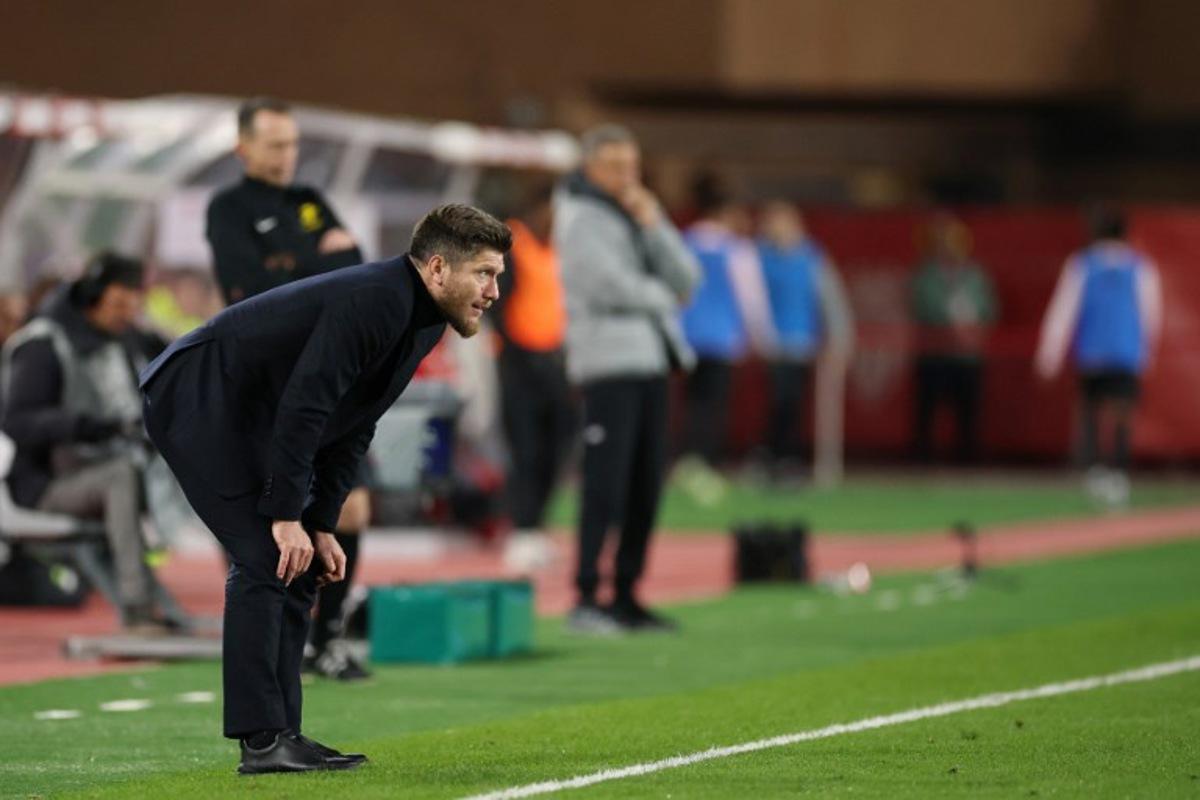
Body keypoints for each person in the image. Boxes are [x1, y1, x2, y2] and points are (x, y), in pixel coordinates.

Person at [140, 204, 511, 774]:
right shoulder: (376, 300)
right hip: (201, 397)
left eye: (497, 276)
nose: (493, 290)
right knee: (267, 556)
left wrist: (320, 522)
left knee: (300, 561)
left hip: (254, 409)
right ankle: (262, 742)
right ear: (438, 269)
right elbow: (307, 407)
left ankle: (283, 731)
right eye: (484, 273)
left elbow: (356, 421)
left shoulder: (422, 315)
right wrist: (287, 515)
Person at [206, 96, 370, 680]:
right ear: (243, 147)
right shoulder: (228, 208)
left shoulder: (307, 202)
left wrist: (293, 266)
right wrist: (315, 262)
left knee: (350, 504)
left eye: (292, 143)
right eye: (274, 144)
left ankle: (329, 642)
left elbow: (355, 266)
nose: (286, 155)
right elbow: (247, 290)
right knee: (272, 515)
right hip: (267, 379)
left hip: (328, 372)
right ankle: (275, 642)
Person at [555, 123, 700, 633]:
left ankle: (628, 594)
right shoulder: (577, 216)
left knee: (645, 486)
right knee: (604, 484)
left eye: (630, 166)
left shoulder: (636, 213)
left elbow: (688, 277)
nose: (624, 176)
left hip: (653, 364)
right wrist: (663, 295)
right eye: (613, 166)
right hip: (608, 367)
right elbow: (608, 286)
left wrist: (655, 222)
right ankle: (587, 597)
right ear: (589, 167)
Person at [0, 253, 165, 630]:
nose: (128, 314)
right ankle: (137, 606)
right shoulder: (43, 344)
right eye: (118, 304)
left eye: (133, 304)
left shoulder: (124, 339)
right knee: (120, 475)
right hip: (46, 485)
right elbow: (18, 421)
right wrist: (88, 426)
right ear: (92, 297)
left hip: (103, 468)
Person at [1035, 207, 1162, 506]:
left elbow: (1062, 311)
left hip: (1094, 351)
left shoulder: (1084, 264)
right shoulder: (1139, 267)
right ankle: (1115, 471)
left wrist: (1049, 354)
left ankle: (1097, 470)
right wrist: (1147, 352)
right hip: (1124, 351)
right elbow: (1151, 313)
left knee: (1091, 411)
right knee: (1120, 414)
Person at [491, 185, 574, 570]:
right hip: (520, 362)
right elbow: (496, 302)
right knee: (524, 448)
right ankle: (521, 529)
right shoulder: (511, 243)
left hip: (558, 363)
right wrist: (510, 347)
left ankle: (537, 525)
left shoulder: (559, 250)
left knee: (556, 449)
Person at [675, 179, 772, 502]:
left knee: (690, 403)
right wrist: (761, 336)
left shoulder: (683, 242)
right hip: (720, 338)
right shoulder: (737, 249)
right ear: (724, 212)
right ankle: (700, 464)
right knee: (712, 406)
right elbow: (751, 297)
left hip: (686, 337)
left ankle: (688, 462)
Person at [755, 201, 854, 477]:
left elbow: (830, 300)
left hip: (801, 343)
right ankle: (772, 456)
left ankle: (786, 458)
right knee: (778, 402)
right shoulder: (760, 256)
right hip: (772, 344)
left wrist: (839, 337)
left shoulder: (811, 258)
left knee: (792, 402)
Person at [909, 214, 998, 463]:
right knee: (926, 411)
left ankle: (967, 460)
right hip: (934, 353)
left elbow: (989, 309)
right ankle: (921, 461)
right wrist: (950, 324)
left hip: (967, 356)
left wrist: (971, 326)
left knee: (968, 412)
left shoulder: (975, 275)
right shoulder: (926, 275)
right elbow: (921, 306)